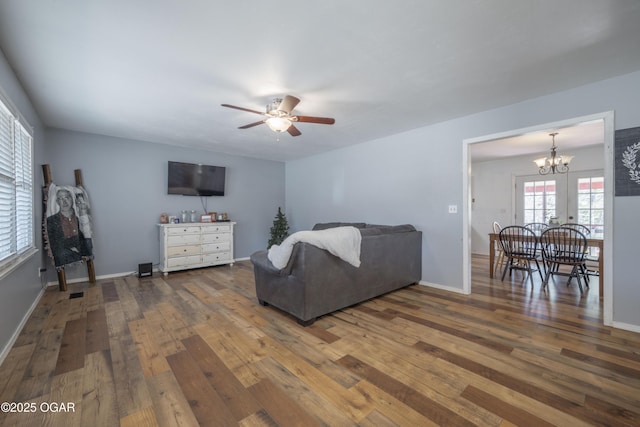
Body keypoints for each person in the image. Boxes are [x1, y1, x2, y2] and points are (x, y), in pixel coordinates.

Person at [46, 187, 93, 267]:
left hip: (80, 247)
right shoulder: (51, 220)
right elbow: (55, 245)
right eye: (61, 199)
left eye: (67, 197)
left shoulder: (80, 217)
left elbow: (86, 238)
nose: (64, 201)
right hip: (64, 252)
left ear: (72, 199)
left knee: (88, 244)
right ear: (57, 202)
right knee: (61, 254)